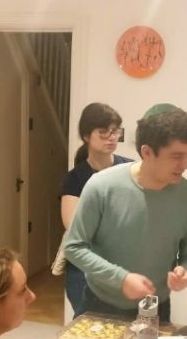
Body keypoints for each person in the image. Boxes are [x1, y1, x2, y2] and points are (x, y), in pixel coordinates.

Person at [64, 104, 187, 324]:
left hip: (155, 307)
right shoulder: (102, 186)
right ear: (147, 152)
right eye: (176, 156)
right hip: (99, 304)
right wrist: (121, 279)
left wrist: (186, 271)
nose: (185, 164)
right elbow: (74, 247)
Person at [57, 103, 133, 317]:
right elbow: (74, 226)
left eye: (115, 131)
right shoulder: (75, 178)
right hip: (84, 267)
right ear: (86, 136)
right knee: (87, 322)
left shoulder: (130, 169)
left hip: (124, 262)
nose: (111, 137)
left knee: (125, 323)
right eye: (103, 132)